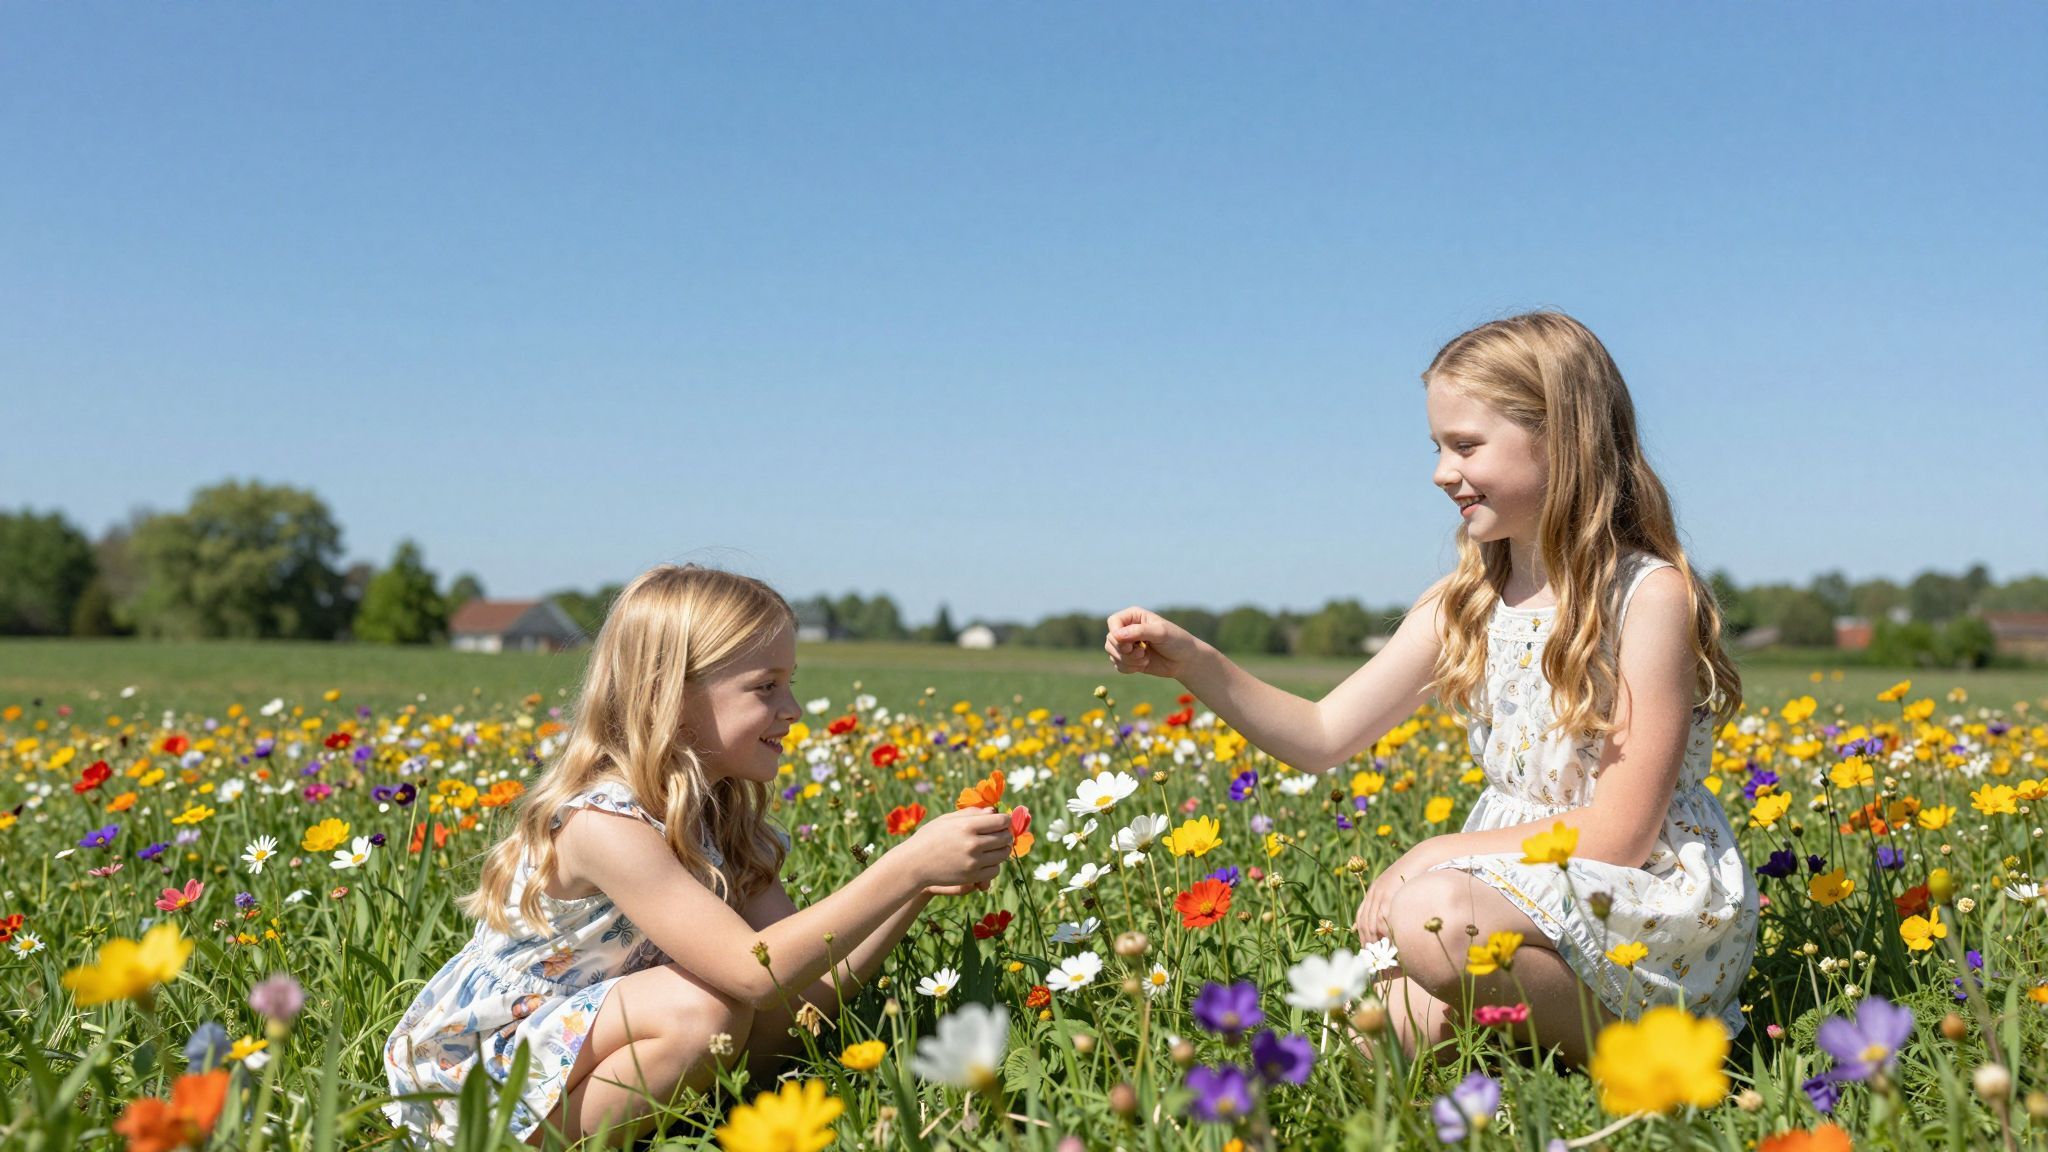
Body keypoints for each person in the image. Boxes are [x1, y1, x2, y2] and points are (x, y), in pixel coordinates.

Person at [1103, 311, 1757, 1064]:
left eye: (1466, 445)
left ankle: (1649, 1059)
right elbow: (1321, 736)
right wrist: (1196, 663)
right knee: (1368, 1037)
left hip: (1636, 902)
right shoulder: (1467, 600)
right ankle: (1535, 1054)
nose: (1442, 471)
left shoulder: (1647, 597)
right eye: (1438, 446)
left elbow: (1621, 832)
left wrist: (1441, 853)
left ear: (1561, 439)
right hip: (1513, 889)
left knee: (1432, 918)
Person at [384, 564, 1014, 1146]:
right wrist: (902, 864)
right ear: (671, 697)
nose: (792, 710)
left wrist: (918, 890)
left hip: (590, 1043)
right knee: (706, 1010)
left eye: (790, 683)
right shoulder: (605, 823)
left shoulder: (717, 817)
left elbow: (800, 992)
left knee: (751, 1020)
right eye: (766, 687)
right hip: (484, 1069)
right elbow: (752, 969)